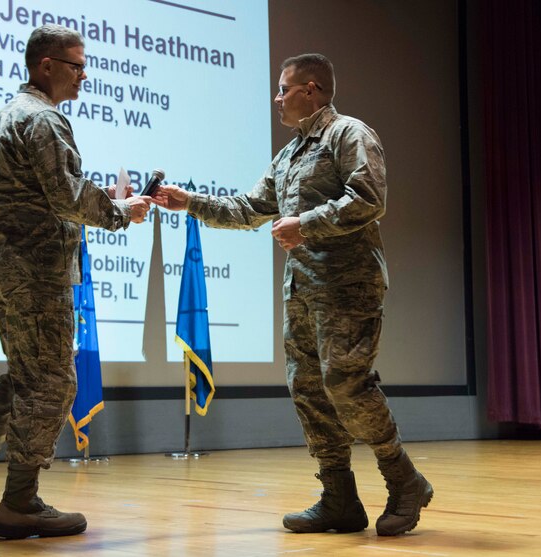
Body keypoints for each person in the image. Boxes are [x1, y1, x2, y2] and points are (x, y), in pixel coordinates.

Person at [154, 53, 432, 536]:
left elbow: (370, 198)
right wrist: (188, 202)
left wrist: (306, 224)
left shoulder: (349, 134)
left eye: (283, 89)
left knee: (347, 385)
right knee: (309, 390)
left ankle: (404, 480)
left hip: (349, 285)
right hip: (302, 290)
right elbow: (248, 209)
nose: (276, 98)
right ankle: (339, 498)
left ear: (310, 89)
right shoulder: (288, 156)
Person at [0, 24, 151, 539]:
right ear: (45, 65)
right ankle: (20, 501)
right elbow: (67, 197)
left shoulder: (7, 114)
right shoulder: (44, 119)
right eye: (75, 66)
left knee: (29, 373)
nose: (84, 76)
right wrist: (122, 211)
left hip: (6, 264)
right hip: (36, 268)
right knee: (53, 381)